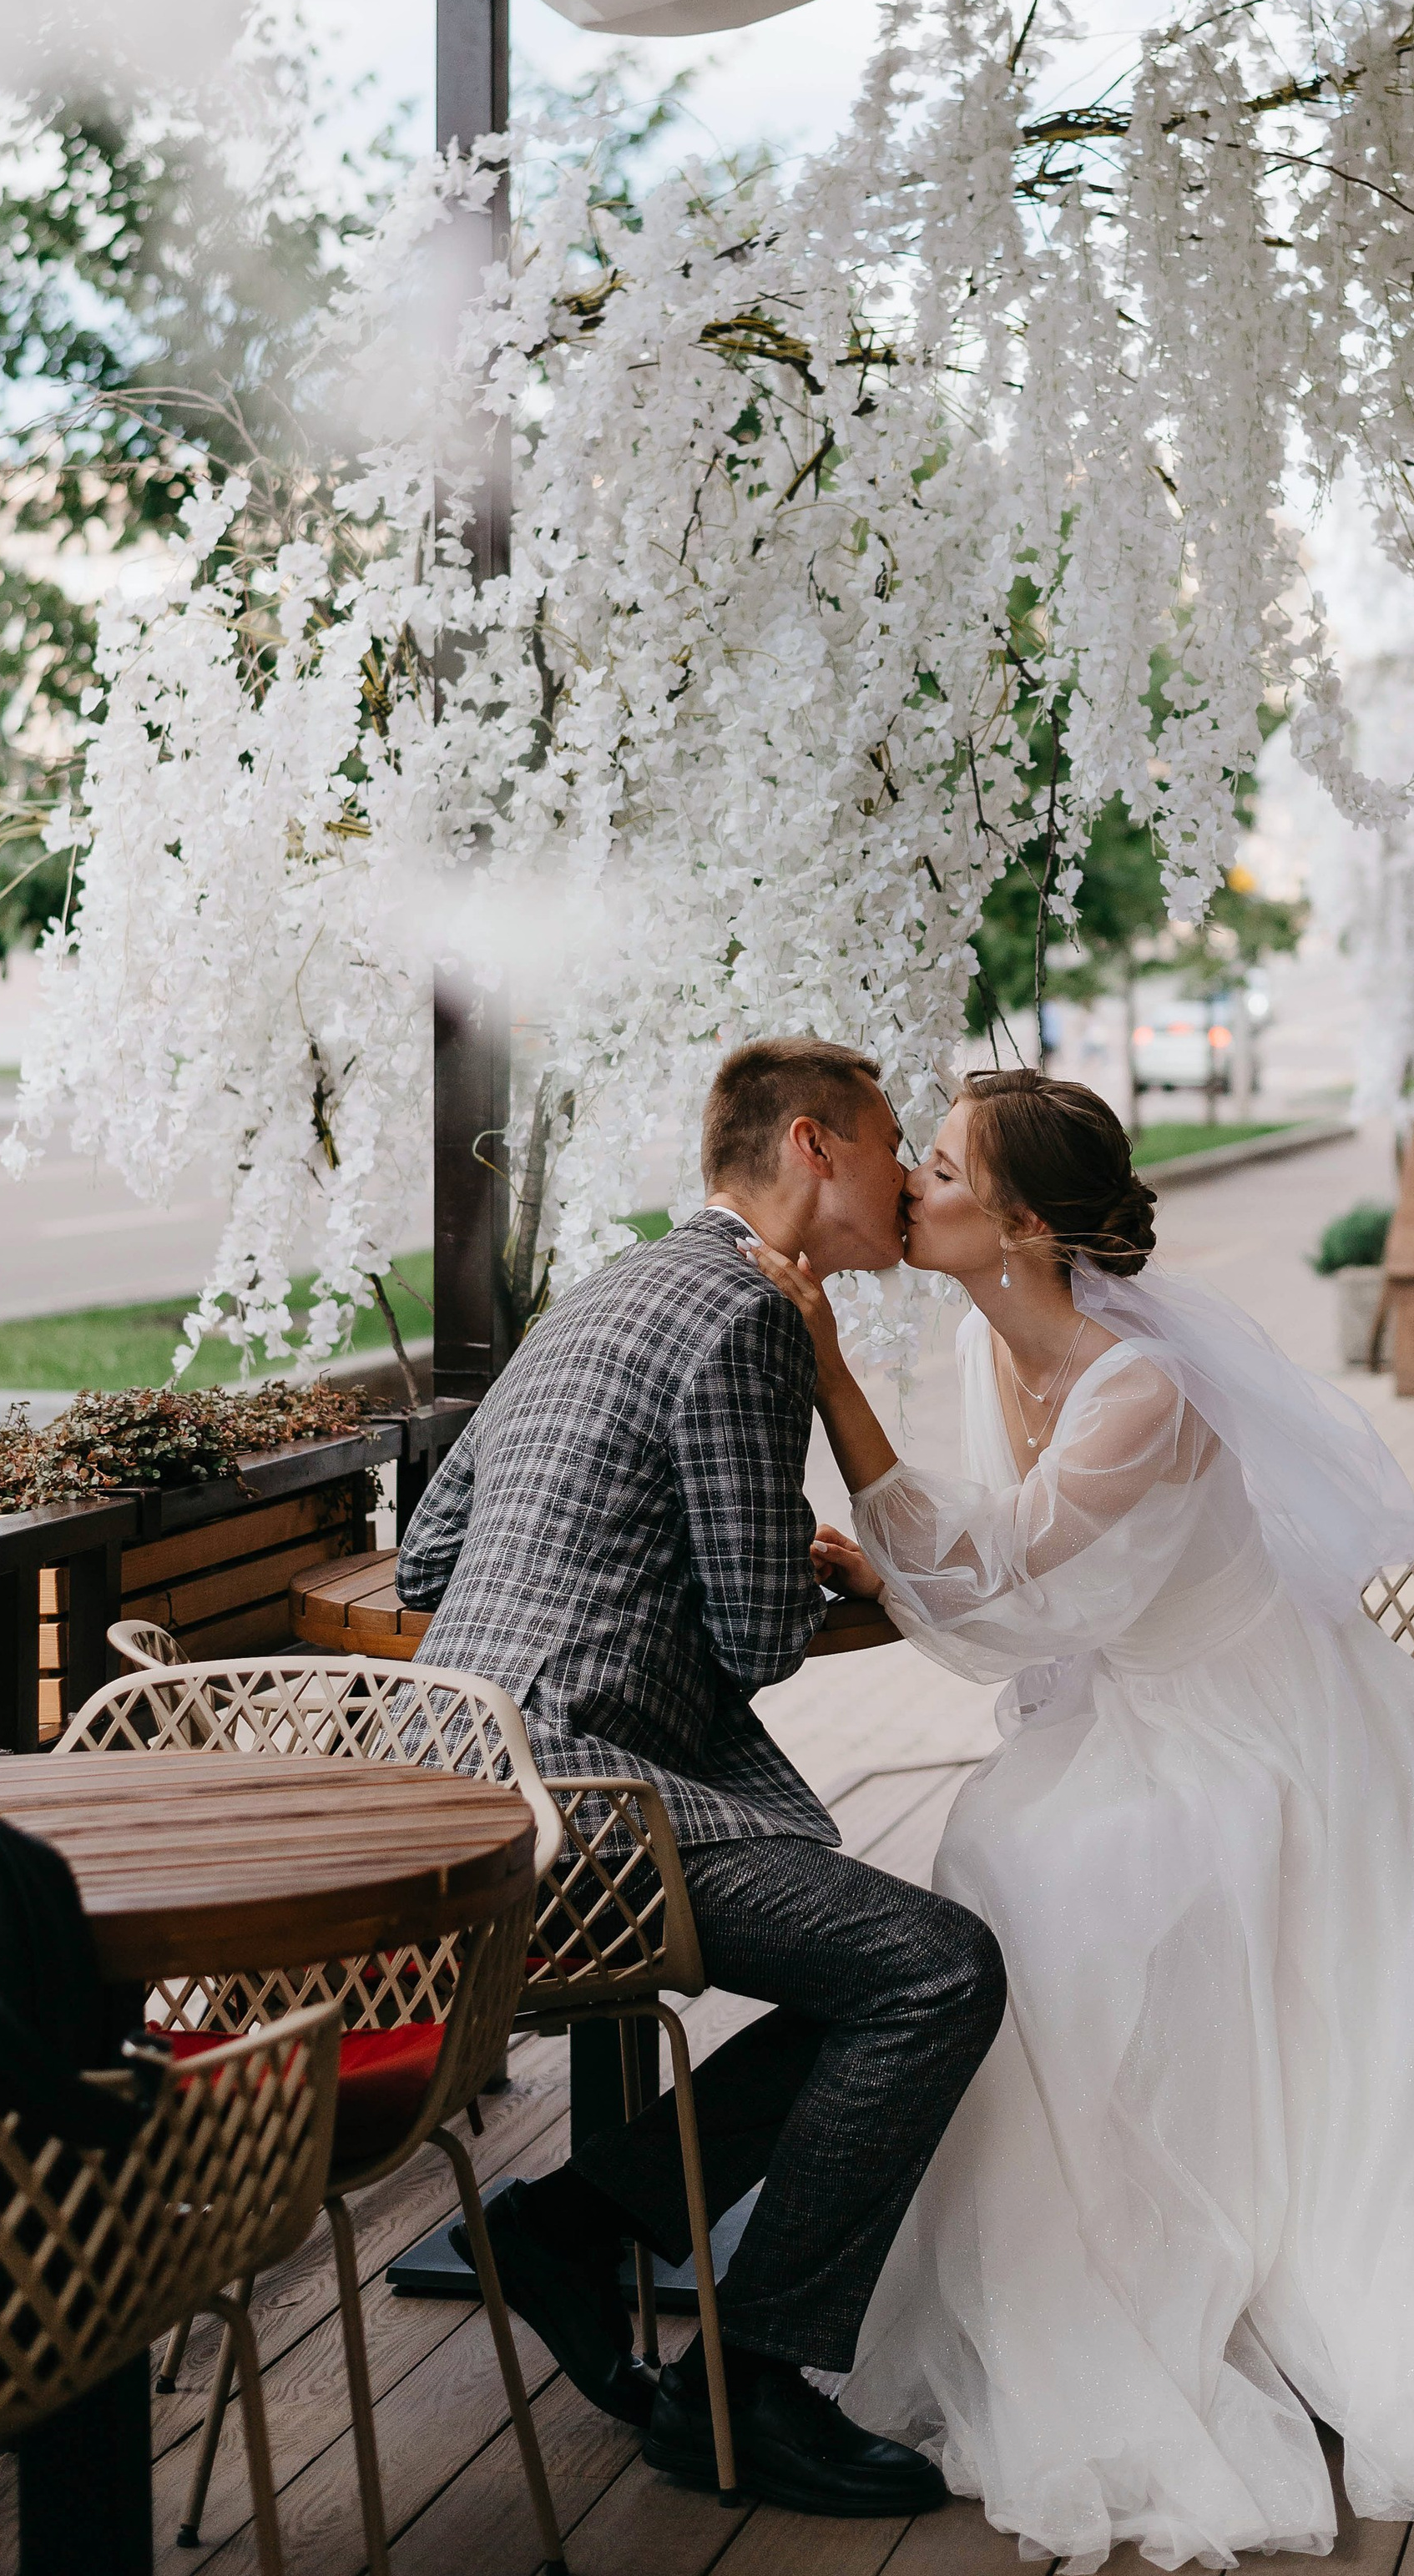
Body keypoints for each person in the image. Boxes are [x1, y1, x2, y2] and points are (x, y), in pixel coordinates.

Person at [741, 1069, 1414, 2573]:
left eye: (943, 1171)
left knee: (1056, 1881)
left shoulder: (1140, 1384)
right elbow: (989, 1570)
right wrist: (894, 1554)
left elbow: (1009, 1578)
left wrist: (832, 1379)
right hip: (1132, 1718)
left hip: (1260, 1738)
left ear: (1022, 1226)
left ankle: (1205, 2279)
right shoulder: (989, 1335)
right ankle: (1090, 2268)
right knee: (1005, 1862)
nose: (912, 1190)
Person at [396, 1036, 1007, 2519]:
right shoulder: (749, 1318)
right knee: (935, 1972)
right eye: (886, 1150)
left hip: (453, 1777)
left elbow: (426, 1561)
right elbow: (748, 1637)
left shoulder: (613, 1285)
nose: (903, 1182)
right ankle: (750, 2384)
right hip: (577, 1800)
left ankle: (569, 2229)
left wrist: (696, 1536)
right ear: (813, 1146)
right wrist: (775, 1560)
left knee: (884, 1967)